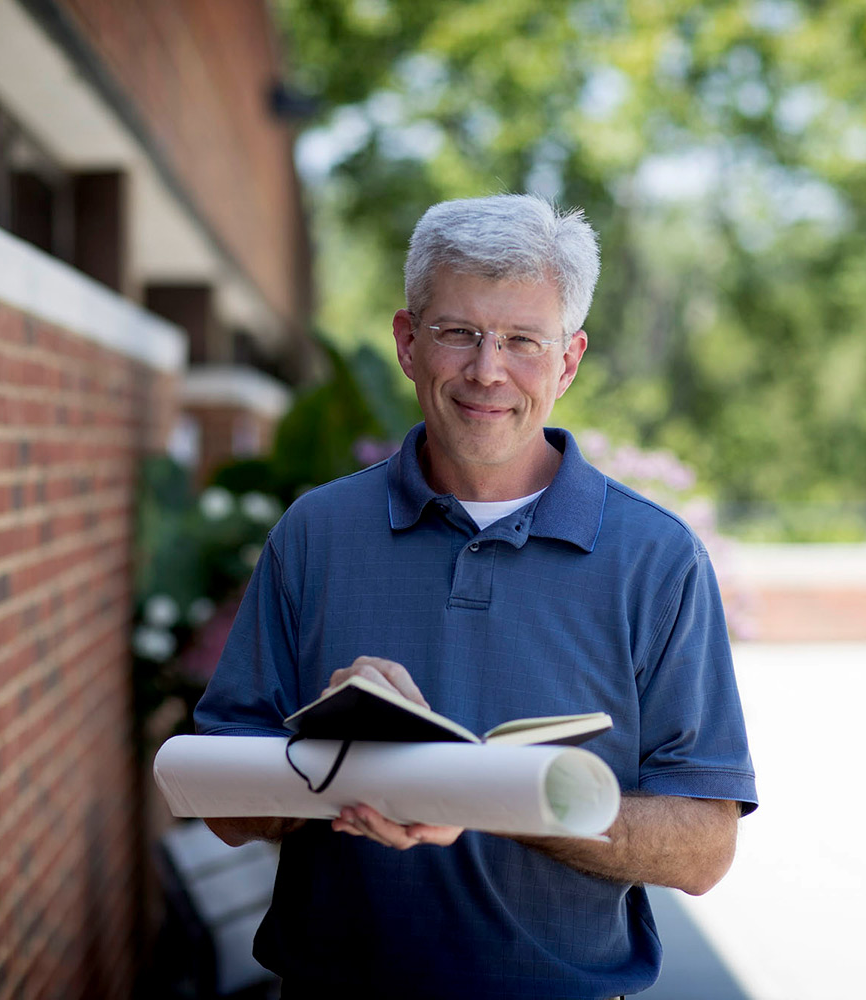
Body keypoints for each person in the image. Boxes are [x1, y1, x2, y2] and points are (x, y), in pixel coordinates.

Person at [194, 193, 757, 999]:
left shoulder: (657, 560)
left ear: (568, 361)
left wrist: (500, 796)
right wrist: (337, 760)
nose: (487, 370)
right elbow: (222, 803)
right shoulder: (314, 534)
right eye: (458, 332)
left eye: (523, 340)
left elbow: (703, 848)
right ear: (406, 342)